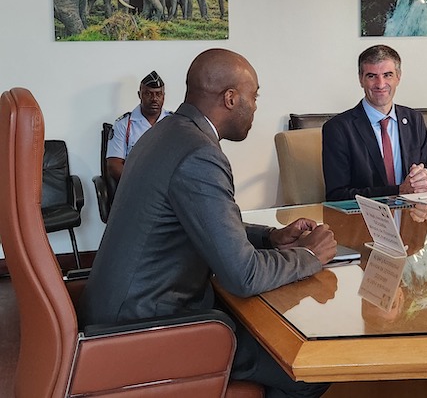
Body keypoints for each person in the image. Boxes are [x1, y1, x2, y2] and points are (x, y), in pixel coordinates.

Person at [79, 48, 337, 397]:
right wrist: (309, 256)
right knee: (309, 365)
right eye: (254, 97)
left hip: (121, 310)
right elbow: (243, 276)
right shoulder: (199, 152)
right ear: (230, 98)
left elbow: (201, 222)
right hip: (149, 326)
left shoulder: (165, 133)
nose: (255, 107)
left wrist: (271, 238)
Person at [322, 44, 427, 201]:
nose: (380, 84)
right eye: (371, 76)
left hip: (412, 212)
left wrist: (424, 183)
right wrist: (399, 190)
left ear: (398, 77)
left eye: (387, 75)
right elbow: (337, 195)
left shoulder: (415, 120)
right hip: (361, 215)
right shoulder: (338, 129)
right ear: (361, 79)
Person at [106, 70, 171, 182]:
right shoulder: (124, 124)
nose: (154, 99)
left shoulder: (174, 122)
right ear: (139, 95)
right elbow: (114, 165)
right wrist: (140, 183)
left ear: (164, 96)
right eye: (148, 94)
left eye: (158, 94)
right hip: (136, 184)